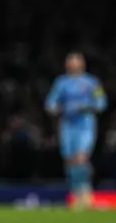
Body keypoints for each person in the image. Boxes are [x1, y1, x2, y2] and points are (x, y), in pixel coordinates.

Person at [45, 52, 108, 210]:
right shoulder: (61, 83)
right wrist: (55, 108)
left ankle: (86, 193)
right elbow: (50, 102)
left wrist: (88, 107)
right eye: (70, 62)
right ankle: (75, 194)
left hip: (85, 124)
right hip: (67, 125)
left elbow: (101, 103)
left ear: (82, 64)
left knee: (81, 158)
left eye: (76, 62)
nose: (73, 65)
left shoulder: (92, 82)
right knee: (69, 160)